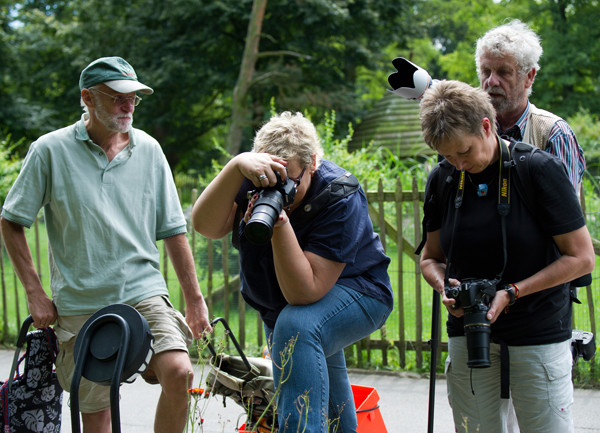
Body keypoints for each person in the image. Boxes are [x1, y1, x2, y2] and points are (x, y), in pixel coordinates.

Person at [0, 56, 211, 433]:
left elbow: (174, 230)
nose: (128, 105)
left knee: (179, 373)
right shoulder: (49, 150)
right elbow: (11, 220)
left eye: (133, 98)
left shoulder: (149, 150)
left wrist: (194, 300)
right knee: (97, 415)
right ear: (88, 98)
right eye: (117, 97)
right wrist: (34, 291)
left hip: (143, 292)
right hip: (81, 302)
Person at [192, 111, 393, 432]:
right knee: (333, 412)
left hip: (360, 293)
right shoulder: (251, 177)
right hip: (282, 308)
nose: (274, 188)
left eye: (287, 182)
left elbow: (305, 291)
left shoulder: (339, 195)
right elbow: (205, 225)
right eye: (266, 179)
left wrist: (278, 222)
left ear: (312, 163)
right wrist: (235, 167)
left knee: (297, 329)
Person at [418, 80, 594, 433]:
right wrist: (443, 288)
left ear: (486, 126)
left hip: (537, 331)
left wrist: (512, 291)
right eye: (448, 156)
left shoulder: (538, 170)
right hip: (469, 331)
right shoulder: (443, 178)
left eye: (464, 152)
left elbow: (582, 258)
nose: (458, 164)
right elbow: (429, 258)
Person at [475, 19, 585, 191]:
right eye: (486, 71)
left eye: (503, 72)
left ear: (529, 77)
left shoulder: (554, 134)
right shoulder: (469, 128)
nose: (491, 81)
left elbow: (563, 213)